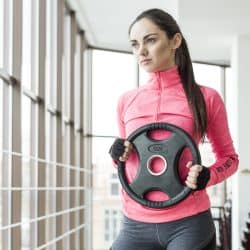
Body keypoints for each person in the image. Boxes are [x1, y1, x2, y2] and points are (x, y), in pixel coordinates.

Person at [109, 8, 239, 250]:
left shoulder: (206, 98)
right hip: (134, 224)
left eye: (151, 40)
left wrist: (208, 175)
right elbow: (130, 161)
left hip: (188, 224)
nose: (142, 52)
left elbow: (230, 159)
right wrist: (117, 155)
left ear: (175, 41)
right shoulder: (126, 101)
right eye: (135, 45)